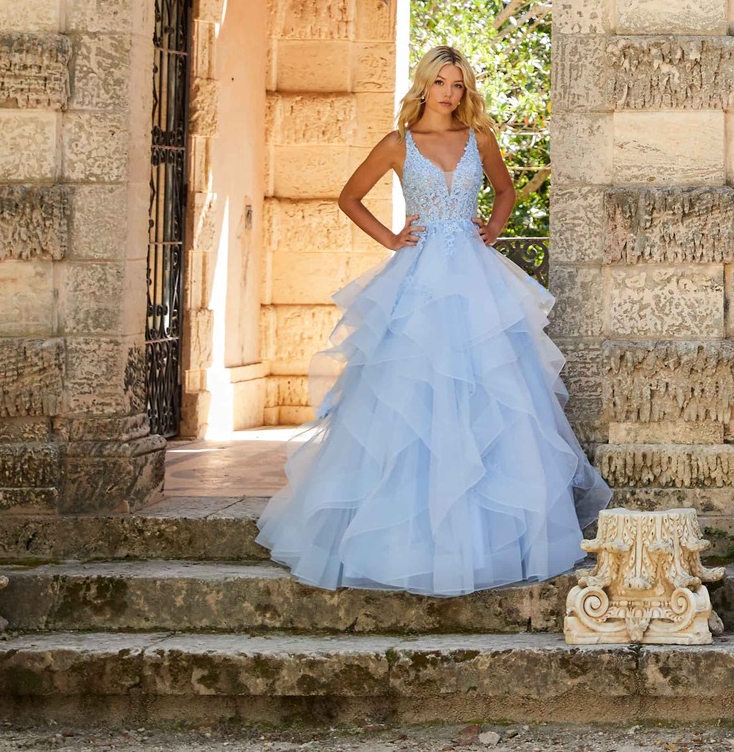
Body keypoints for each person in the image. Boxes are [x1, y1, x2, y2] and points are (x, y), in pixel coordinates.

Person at [257, 45, 611, 595]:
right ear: (424, 86)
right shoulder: (399, 144)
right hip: (418, 278)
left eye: (458, 84)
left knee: (491, 391)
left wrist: (493, 227)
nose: (449, 92)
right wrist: (392, 239)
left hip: (475, 275)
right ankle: (402, 535)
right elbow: (349, 197)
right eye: (441, 82)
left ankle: (490, 535)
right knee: (408, 393)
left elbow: (506, 189)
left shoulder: (480, 140)